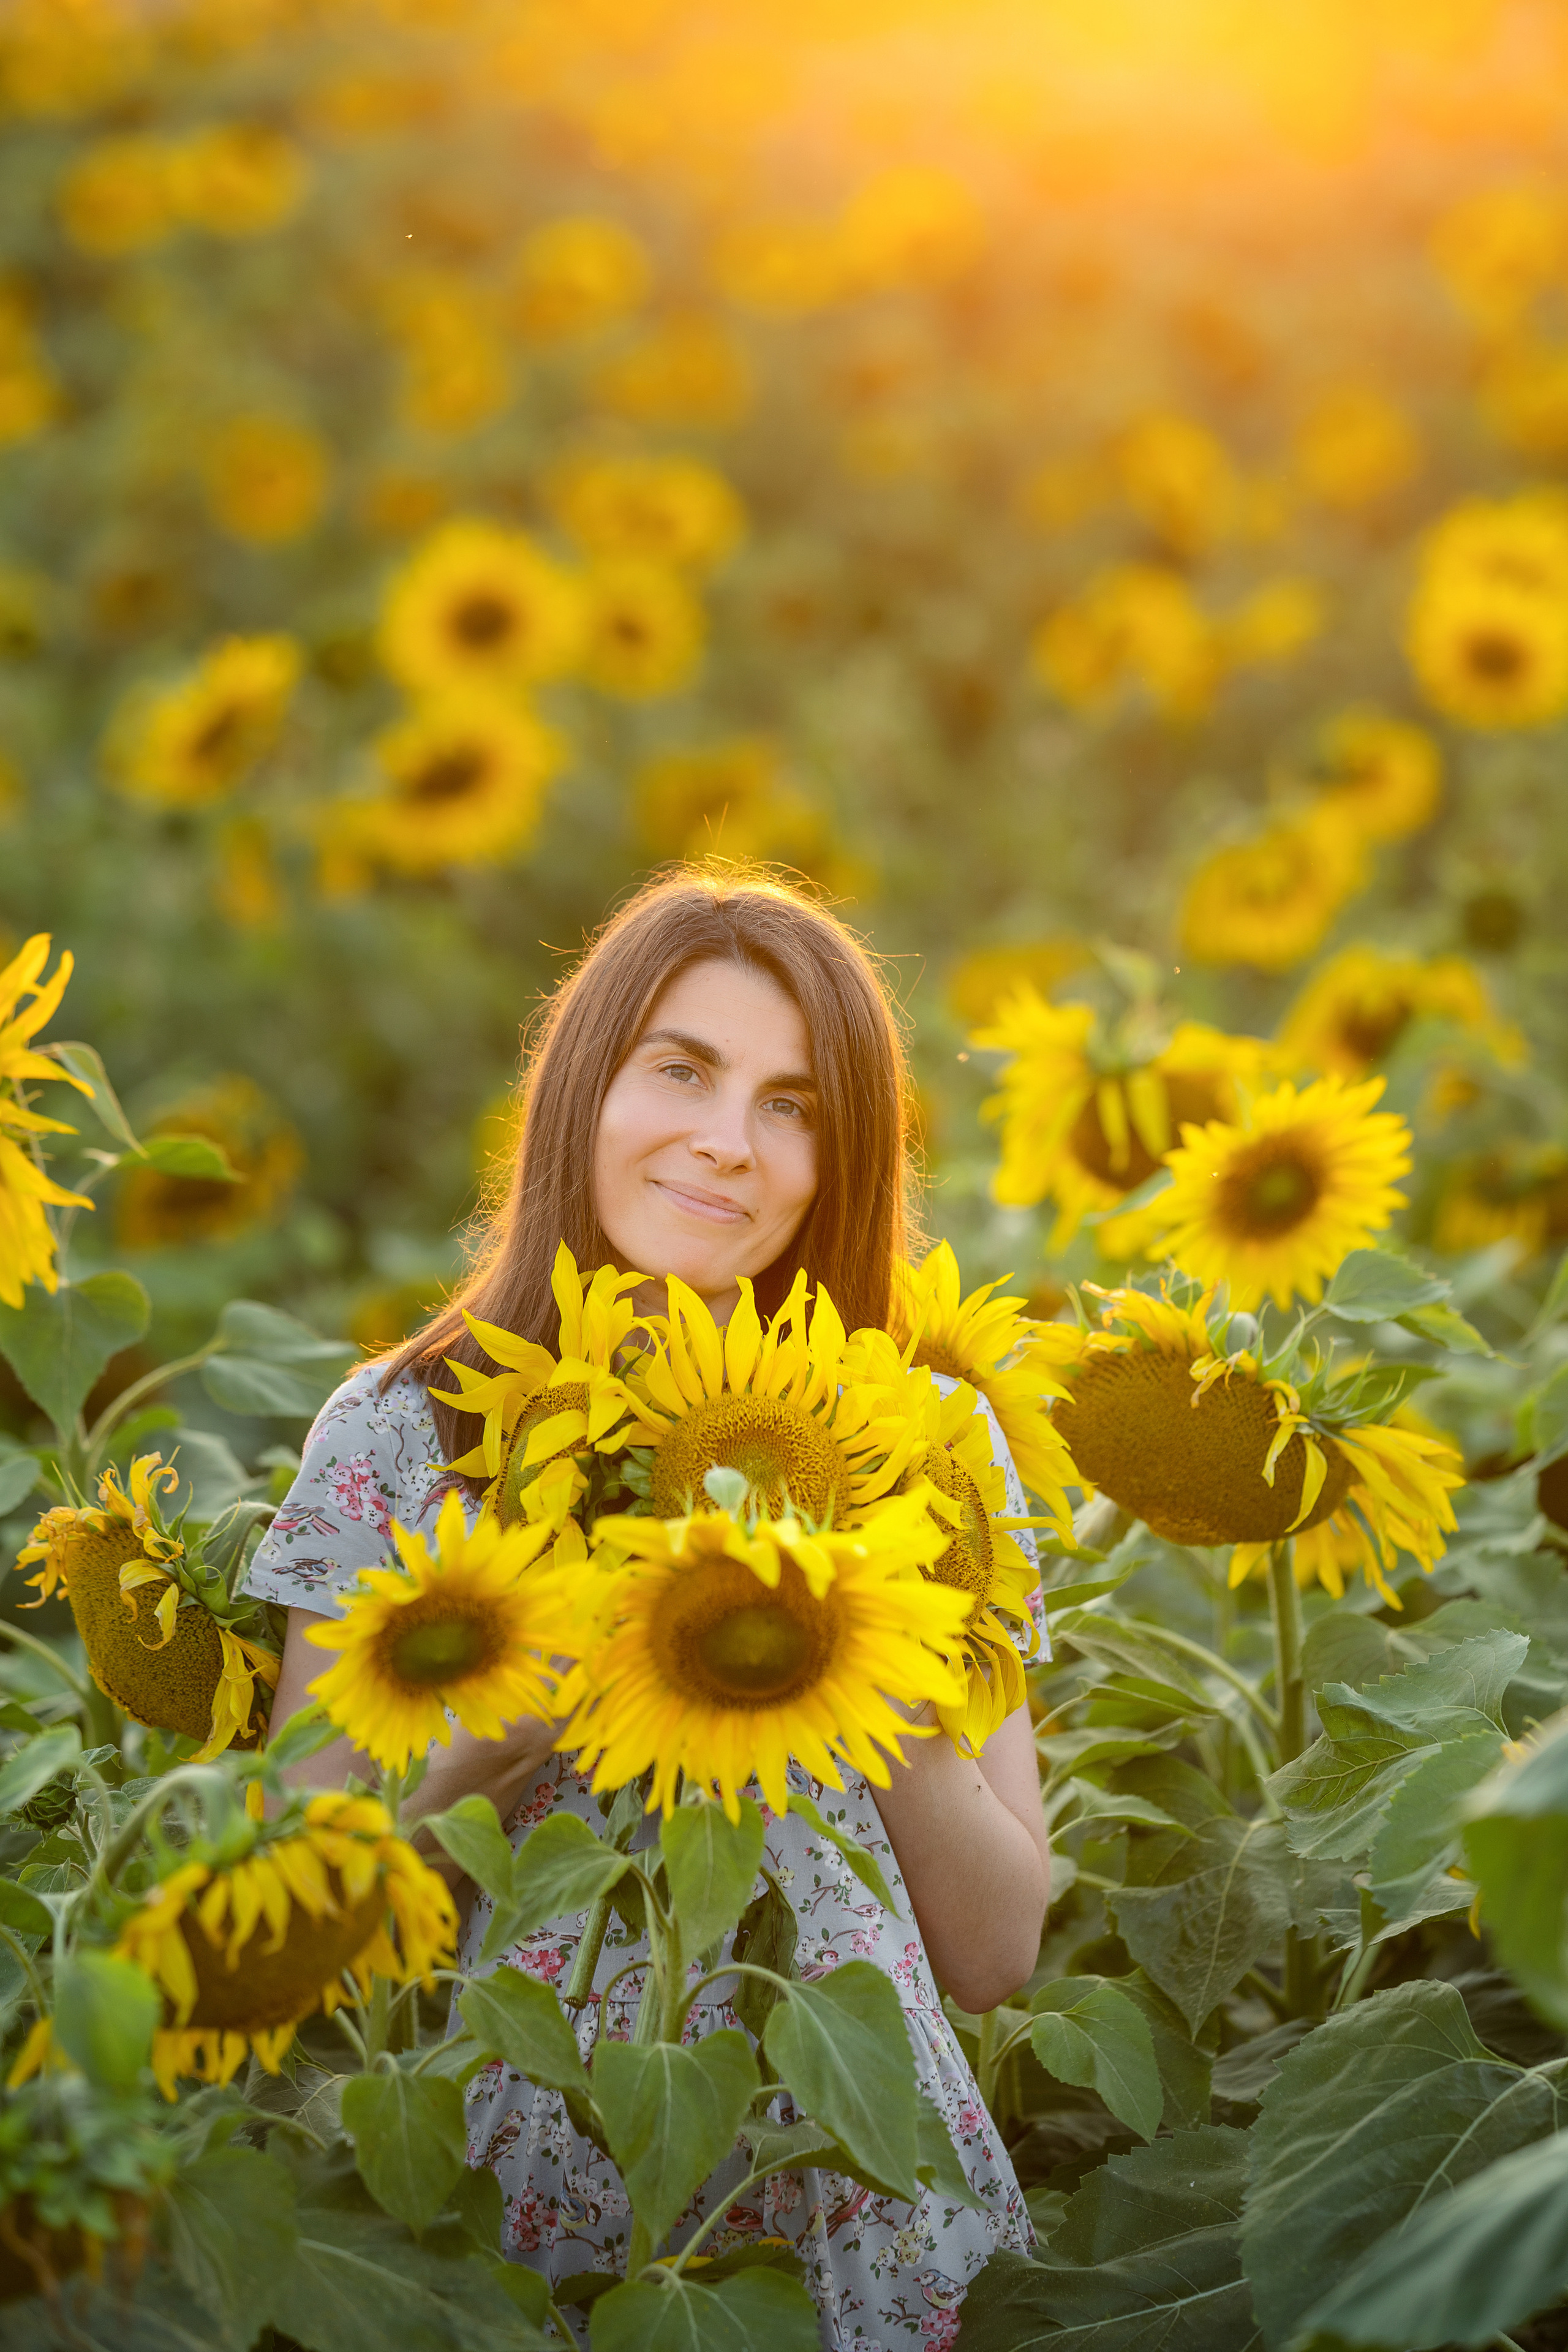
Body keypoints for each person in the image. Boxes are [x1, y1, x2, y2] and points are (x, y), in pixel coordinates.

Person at [249, 867, 1050, 2348]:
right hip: (518, 2203)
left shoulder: (925, 1442)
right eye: (682, 1070)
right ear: (586, 1087)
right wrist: (520, 1712)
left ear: (836, 1163)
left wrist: (845, 1634)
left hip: (857, 2206)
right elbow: (302, 1914)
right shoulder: (405, 1435)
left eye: (791, 1106)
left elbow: (998, 1953)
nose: (726, 1140)